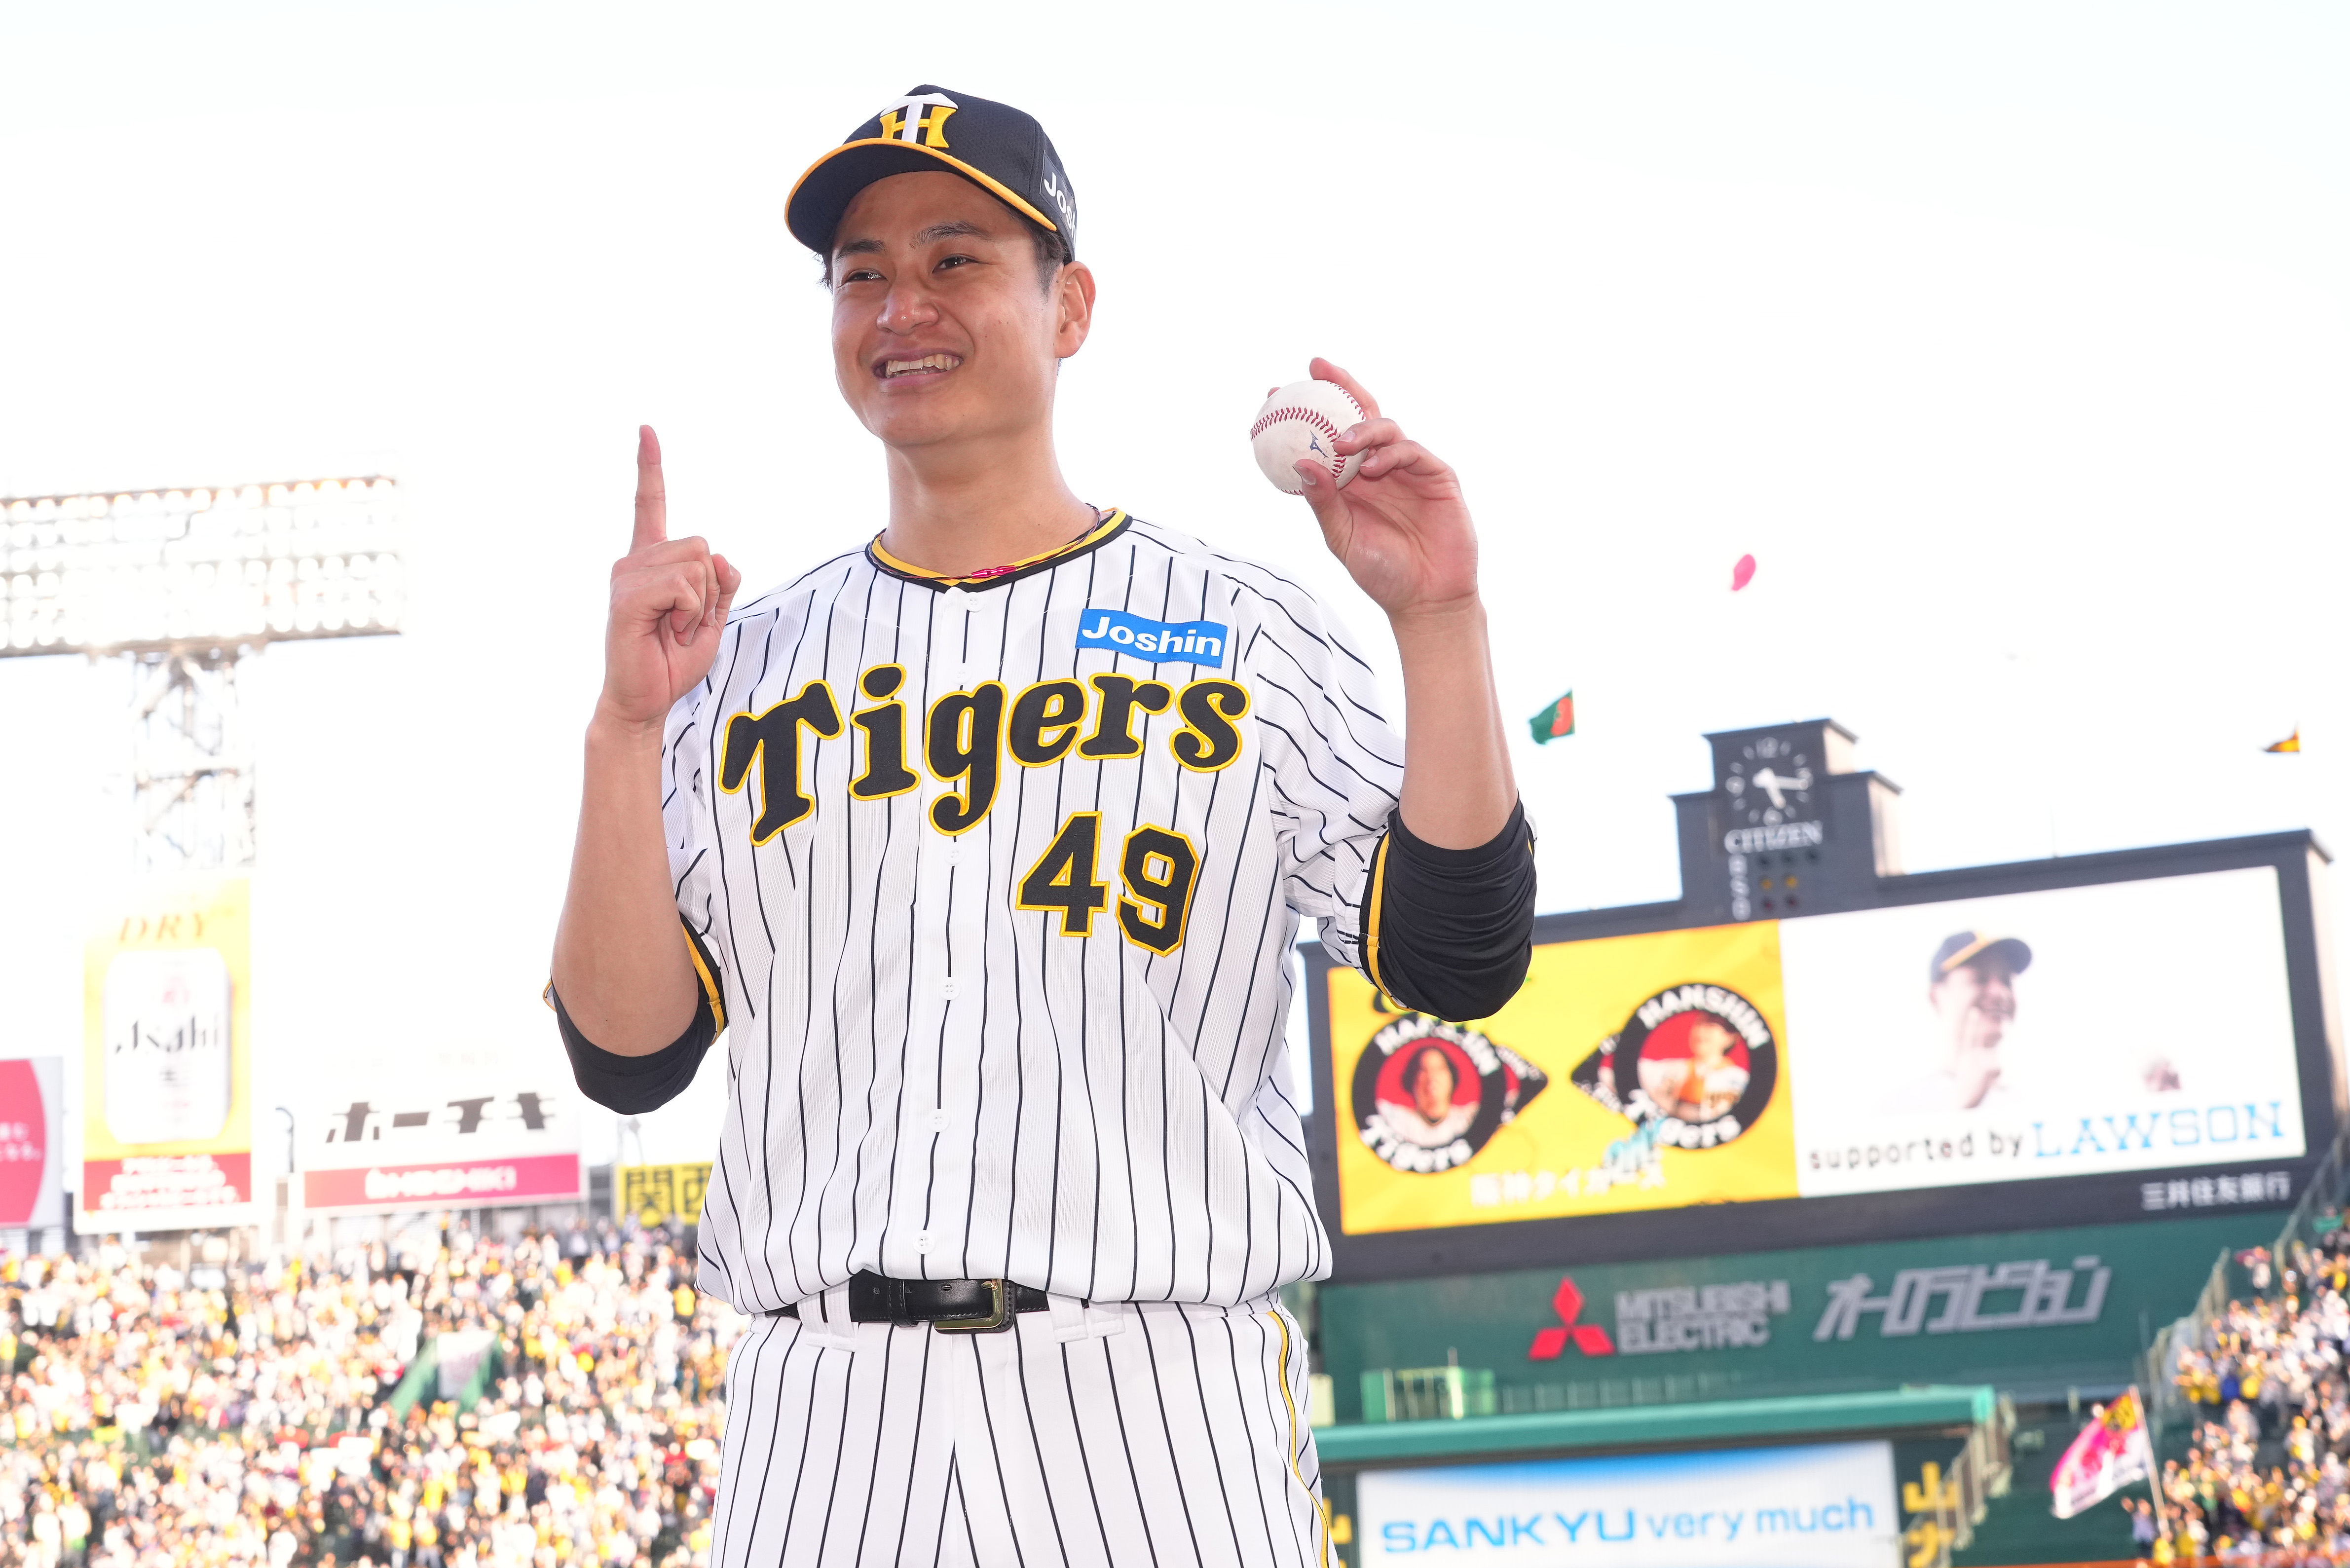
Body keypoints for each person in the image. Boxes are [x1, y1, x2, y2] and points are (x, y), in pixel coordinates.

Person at [546, 83, 1537, 1567]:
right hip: (825, 1414)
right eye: (860, 271)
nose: (900, 305)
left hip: (1149, 1399)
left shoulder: (1240, 628)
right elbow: (625, 1058)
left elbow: (1458, 957)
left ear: (1068, 306)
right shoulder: (735, 664)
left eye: (955, 259)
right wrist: (625, 730)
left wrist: (1442, 622)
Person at [1883, 931, 2030, 1112]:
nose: (1999, 993)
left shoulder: (2032, 1102)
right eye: (1980, 979)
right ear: (1936, 998)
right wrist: (1964, 1106)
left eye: (2006, 981)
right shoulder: (1901, 1107)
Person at [1637, 1015, 1749, 1122]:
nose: (1701, 1031)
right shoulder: (1673, 1069)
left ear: (1730, 1037)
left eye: (1710, 1026)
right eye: (1699, 1024)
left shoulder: (1742, 1081)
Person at [1378, 1046, 1479, 1147]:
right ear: (1412, 1081)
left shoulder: (1469, 1119)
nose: (1432, 1078)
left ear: (1452, 1079)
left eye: (1440, 1069)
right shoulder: (1396, 1121)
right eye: (1423, 1070)